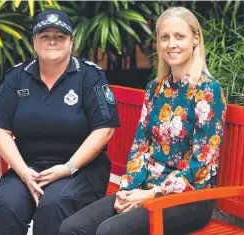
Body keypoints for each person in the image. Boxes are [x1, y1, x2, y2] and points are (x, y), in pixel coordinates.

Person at [59, 6, 227, 235]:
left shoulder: (207, 91)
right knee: (72, 228)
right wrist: (127, 190)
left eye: (180, 36)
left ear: (195, 39)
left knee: (109, 231)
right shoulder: (155, 89)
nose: (171, 44)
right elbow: (141, 147)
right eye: (165, 37)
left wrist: (152, 194)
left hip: (190, 197)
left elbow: (201, 166)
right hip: (146, 187)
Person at [0, 9, 120, 235]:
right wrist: (23, 172)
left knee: (53, 206)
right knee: (8, 206)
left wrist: (68, 168)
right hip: (29, 169)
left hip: (80, 169)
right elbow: (0, 129)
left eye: (60, 36)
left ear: (72, 42)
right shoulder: (17, 77)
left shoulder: (89, 76)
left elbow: (104, 129)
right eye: (44, 36)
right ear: (34, 42)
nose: (52, 41)